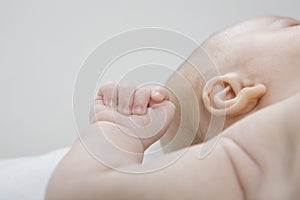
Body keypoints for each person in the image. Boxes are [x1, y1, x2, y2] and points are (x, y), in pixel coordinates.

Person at [45, 15, 300, 200]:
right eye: (293, 25)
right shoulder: (260, 154)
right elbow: (82, 193)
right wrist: (118, 132)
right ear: (229, 94)